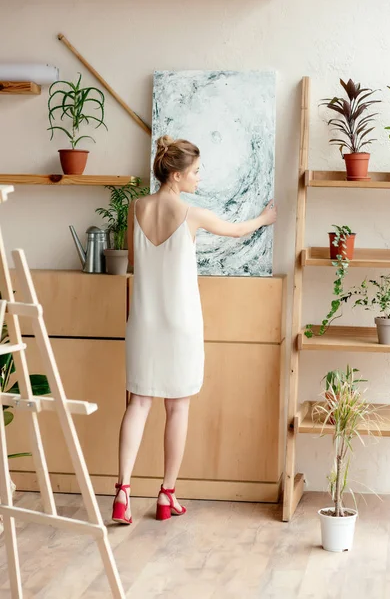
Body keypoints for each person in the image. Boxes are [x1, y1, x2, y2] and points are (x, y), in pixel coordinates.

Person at [112, 135, 277, 524]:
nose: (199, 179)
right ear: (178, 174)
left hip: (143, 323)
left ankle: (122, 493)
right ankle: (167, 494)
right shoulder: (191, 214)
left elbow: (135, 262)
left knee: (137, 403)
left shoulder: (135, 208)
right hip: (180, 325)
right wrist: (265, 219)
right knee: (178, 406)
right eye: (196, 172)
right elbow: (237, 231)